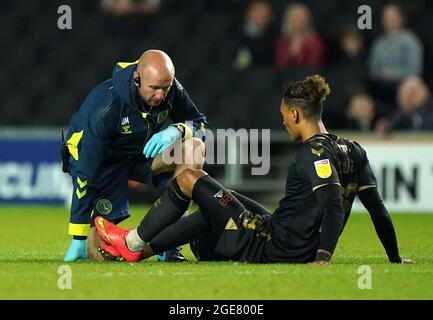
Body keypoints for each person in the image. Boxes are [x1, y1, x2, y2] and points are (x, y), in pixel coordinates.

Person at [94, 75, 412, 265]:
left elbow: (331, 204)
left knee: (190, 178)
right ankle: (149, 250)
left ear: (296, 115)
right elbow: (378, 211)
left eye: (284, 115)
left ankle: (133, 243)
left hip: (273, 246)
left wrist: (322, 258)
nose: (283, 121)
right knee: (223, 198)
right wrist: (394, 259)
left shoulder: (313, 153)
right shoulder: (354, 151)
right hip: (284, 235)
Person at [62, 50, 208, 262]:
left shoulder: (171, 89)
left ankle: (170, 242)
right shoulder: (106, 107)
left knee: (193, 147)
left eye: (165, 88)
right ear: (137, 79)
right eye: (155, 89)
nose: (161, 96)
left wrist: (177, 130)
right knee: (101, 255)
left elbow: (200, 123)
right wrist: (78, 235)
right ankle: (124, 239)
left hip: (141, 155)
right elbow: (86, 171)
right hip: (104, 167)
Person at [275, 3, 326, 70]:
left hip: (307, 76)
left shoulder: (314, 42)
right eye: (294, 18)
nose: (297, 21)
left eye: (300, 18)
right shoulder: (283, 42)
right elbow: (279, 64)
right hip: (286, 77)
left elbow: (315, 64)